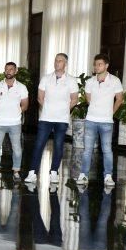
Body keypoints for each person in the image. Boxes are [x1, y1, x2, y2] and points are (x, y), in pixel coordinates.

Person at [24, 53, 79, 184]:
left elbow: (74, 99)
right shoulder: (46, 78)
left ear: (65, 64)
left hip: (62, 119)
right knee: (39, 144)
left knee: (59, 146)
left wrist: (63, 110)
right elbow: (40, 97)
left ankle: (54, 172)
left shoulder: (71, 80)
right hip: (46, 118)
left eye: (60, 61)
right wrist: (49, 108)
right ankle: (32, 173)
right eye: (55, 60)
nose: (57, 63)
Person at [76, 54, 123, 186]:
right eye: (95, 64)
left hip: (107, 122)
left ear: (106, 66)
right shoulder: (90, 81)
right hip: (91, 120)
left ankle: (108, 176)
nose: (96, 67)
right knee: (87, 149)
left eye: (100, 64)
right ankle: (83, 175)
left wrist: (110, 113)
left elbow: (119, 99)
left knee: (107, 150)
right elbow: (88, 98)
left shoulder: (115, 80)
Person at [0, 62, 29, 181]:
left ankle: (16, 172)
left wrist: (15, 113)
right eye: (7, 69)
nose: (8, 71)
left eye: (11, 69)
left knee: (17, 148)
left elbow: (25, 106)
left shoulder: (22, 87)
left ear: (15, 71)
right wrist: (2, 113)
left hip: (15, 123)